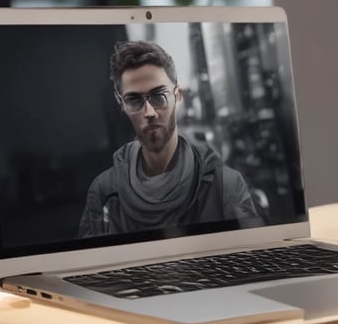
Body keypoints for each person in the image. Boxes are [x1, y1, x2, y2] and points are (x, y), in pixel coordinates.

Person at [78, 39, 260, 237]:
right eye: (134, 100)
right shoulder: (105, 193)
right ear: (120, 103)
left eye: (159, 96)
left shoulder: (225, 186)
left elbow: (254, 257)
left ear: (178, 95)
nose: (149, 112)